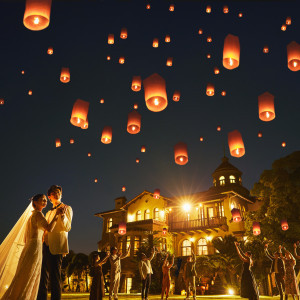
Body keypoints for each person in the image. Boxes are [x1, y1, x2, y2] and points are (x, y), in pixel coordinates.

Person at [1, 194, 62, 300]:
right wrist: (57, 215)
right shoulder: (38, 214)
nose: (44, 201)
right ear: (35, 202)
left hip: (29, 246)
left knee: (25, 273)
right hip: (35, 248)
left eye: (45, 199)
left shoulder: (31, 216)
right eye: (41, 199)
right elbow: (49, 228)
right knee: (31, 274)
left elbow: (26, 237)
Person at [37, 185, 73, 300]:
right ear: (49, 196)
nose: (56, 194)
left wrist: (62, 215)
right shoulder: (48, 213)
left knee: (55, 277)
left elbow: (67, 227)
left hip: (57, 246)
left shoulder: (67, 208)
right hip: (44, 246)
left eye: (58, 192)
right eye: (54, 193)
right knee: (42, 277)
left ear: (61, 194)